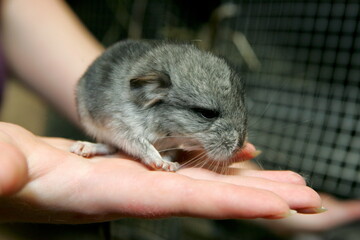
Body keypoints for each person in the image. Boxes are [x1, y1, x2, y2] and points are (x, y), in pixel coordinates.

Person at [0, 0, 359, 232]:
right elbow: (120, 119)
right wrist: (149, 154)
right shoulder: (138, 96)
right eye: (206, 114)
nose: (232, 134)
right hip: (110, 111)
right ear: (151, 94)